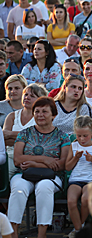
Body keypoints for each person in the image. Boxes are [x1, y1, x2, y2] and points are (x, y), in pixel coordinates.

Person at [8, 97, 70, 238]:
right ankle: (13, 234)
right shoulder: (25, 133)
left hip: (52, 176)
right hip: (24, 173)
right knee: (18, 189)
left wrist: (33, 162)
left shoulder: (63, 137)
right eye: (37, 111)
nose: (40, 115)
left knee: (44, 187)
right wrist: (44, 160)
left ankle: (41, 235)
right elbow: (18, 159)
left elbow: (61, 164)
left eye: (44, 111)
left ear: (54, 115)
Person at [65, 116, 92, 238]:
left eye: (85, 136)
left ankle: (80, 226)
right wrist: (75, 158)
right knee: (71, 201)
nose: (82, 139)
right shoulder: (74, 146)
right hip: (76, 179)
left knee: (86, 199)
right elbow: (67, 167)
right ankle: (78, 229)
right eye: (79, 136)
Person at [3, 84, 47, 178]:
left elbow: (39, 140)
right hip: (10, 157)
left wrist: (12, 135)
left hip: (32, 160)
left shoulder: (42, 118)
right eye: (25, 94)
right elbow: (4, 139)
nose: (27, 97)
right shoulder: (12, 116)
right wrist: (28, 137)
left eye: (32, 96)